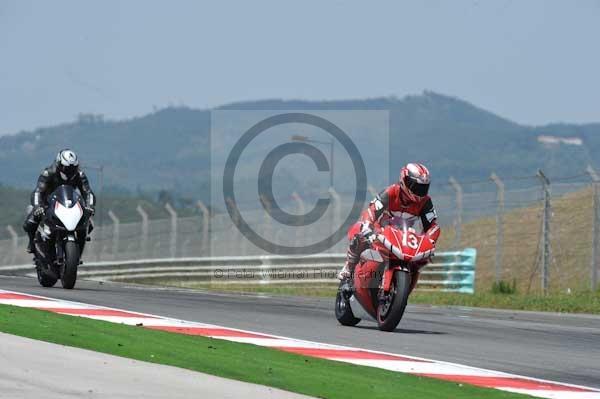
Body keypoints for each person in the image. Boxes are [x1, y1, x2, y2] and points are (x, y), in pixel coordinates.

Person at [338, 163, 441, 293]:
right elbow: (372, 210)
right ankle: (349, 268)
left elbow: (432, 226)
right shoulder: (391, 192)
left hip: (403, 237)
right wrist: (368, 227)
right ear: (405, 181)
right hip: (380, 231)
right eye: (416, 186)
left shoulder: (425, 202)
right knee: (359, 233)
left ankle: (403, 291)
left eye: (423, 187)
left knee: (419, 262)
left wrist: (429, 241)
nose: (419, 191)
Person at [22, 149, 96, 253]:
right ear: (59, 164)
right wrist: (37, 206)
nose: (69, 171)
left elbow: (88, 192)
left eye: (72, 168)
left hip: (69, 204)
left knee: (88, 224)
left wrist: (90, 206)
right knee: (30, 222)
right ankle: (32, 243)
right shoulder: (48, 173)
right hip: (48, 204)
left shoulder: (80, 175)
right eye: (66, 168)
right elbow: (38, 192)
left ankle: (78, 251)